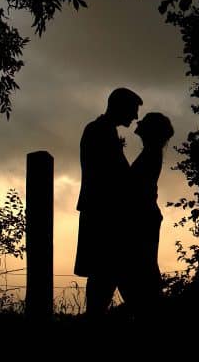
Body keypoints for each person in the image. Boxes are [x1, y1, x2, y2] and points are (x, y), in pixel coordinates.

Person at [74, 87, 142, 317]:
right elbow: (111, 176)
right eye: (133, 110)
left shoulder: (101, 130)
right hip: (104, 215)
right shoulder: (100, 131)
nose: (135, 117)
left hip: (103, 214)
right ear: (120, 107)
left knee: (106, 273)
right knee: (108, 271)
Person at [123, 112, 175, 319]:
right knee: (144, 267)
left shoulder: (150, 153)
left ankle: (149, 314)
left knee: (141, 268)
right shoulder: (151, 152)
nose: (138, 125)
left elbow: (133, 186)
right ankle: (149, 313)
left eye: (143, 124)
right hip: (146, 216)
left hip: (142, 217)